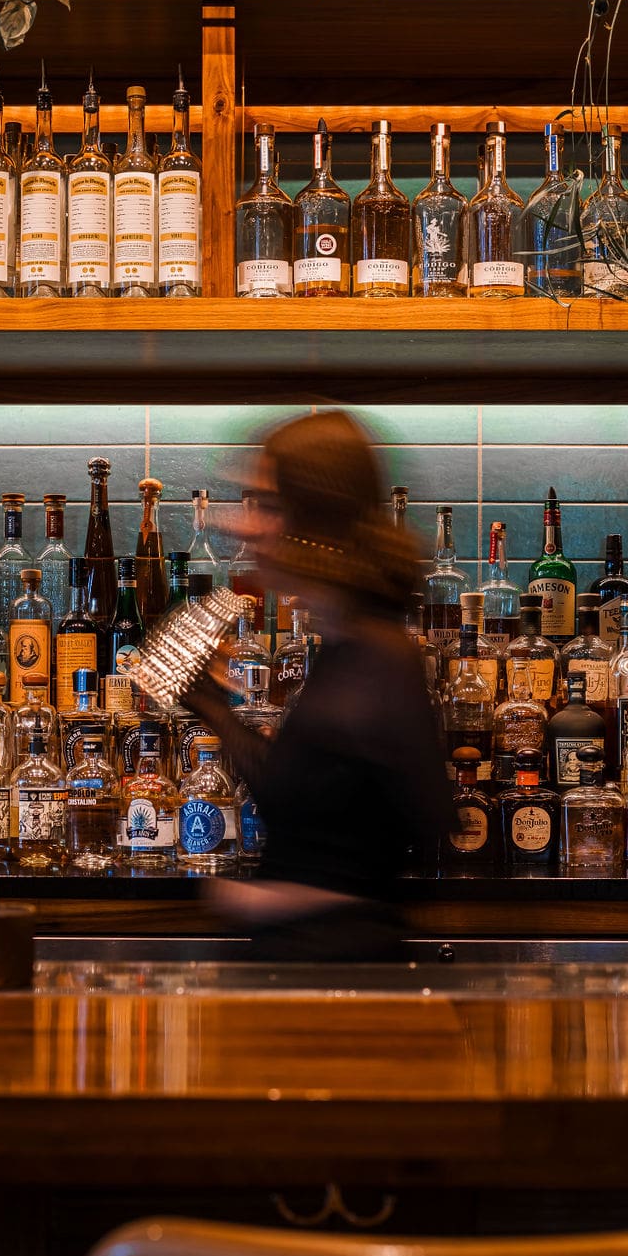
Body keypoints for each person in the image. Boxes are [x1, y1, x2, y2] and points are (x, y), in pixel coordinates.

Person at [183, 409, 456, 962]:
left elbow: (428, 812)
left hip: (343, 977)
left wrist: (292, 899)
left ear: (317, 516)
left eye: (268, 506)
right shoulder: (345, 641)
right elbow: (304, 796)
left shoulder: (376, 651)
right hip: (307, 966)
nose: (244, 525)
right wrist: (211, 706)